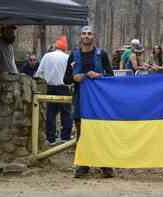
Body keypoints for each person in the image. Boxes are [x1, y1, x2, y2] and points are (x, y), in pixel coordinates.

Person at [69, 26, 114, 178]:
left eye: (89, 34)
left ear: (94, 36)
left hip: (100, 102)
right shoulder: (74, 54)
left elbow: (111, 76)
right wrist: (74, 78)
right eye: (84, 34)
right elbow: (66, 78)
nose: (86, 36)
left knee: (101, 131)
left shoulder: (102, 54)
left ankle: (106, 165)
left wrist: (99, 75)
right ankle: (83, 165)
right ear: (80, 36)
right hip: (81, 99)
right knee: (81, 133)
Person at [35, 36, 73, 145]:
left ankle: (50, 138)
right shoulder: (67, 58)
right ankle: (65, 137)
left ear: (56, 46)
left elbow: (39, 73)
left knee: (51, 113)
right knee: (66, 113)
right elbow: (71, 74)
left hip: (50, 87)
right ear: (64, 47)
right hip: (64, 88)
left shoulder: (47, 56)